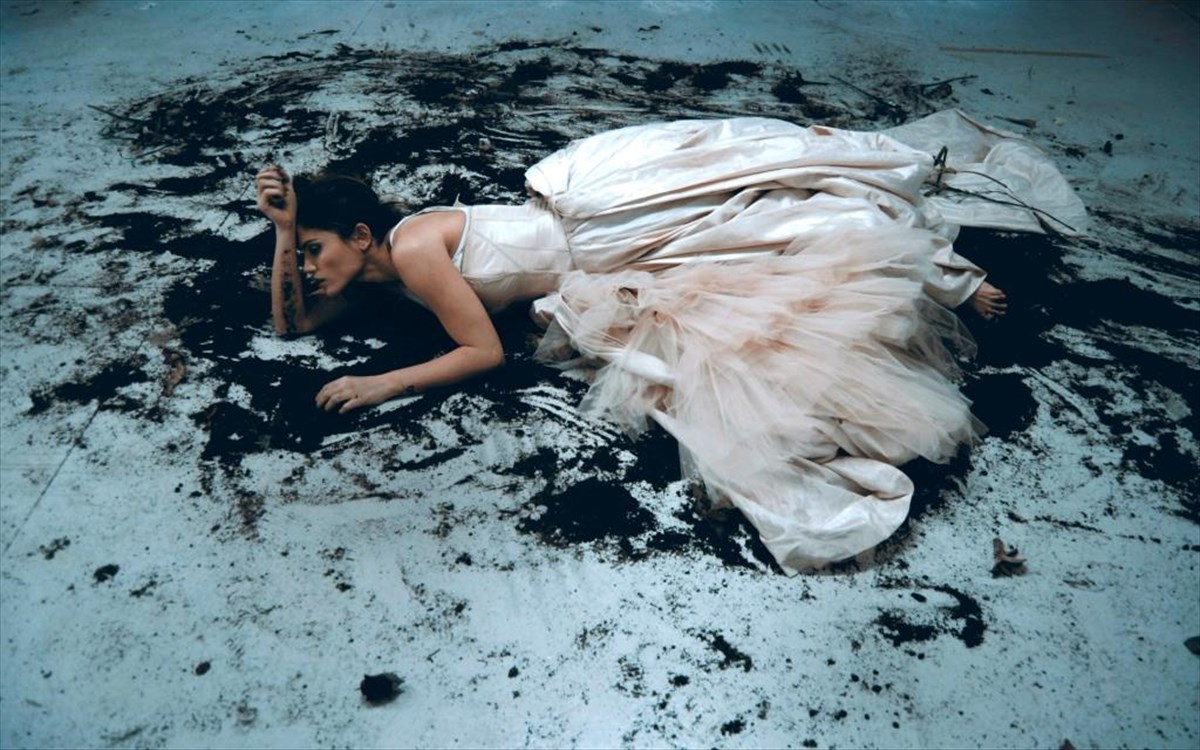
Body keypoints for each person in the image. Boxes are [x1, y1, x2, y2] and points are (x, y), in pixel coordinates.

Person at [253, 112, 1085, 572]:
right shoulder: (376, 267)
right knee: (758, 238)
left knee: (774, 219)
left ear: (361, 235)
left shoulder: (410, 251)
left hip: (602, 241)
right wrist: (286, 233)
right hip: (585, 257)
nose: (311, 274)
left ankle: (942, 272)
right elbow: (289, 323)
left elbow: (484, 354)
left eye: (318, 253)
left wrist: (380, 383)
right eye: (307, 259)